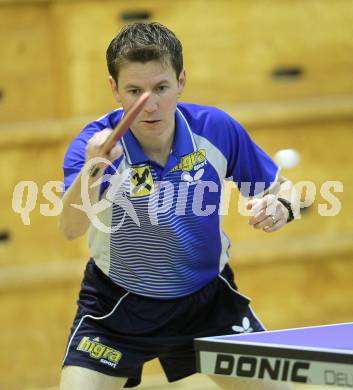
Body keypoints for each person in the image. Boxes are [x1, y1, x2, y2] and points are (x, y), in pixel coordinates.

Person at [59, 22, 297, 390]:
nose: (150, 105)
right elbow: (70, 229)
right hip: (119, 306)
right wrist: (93, 171)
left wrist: (282, 205)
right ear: (114, 89)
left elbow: (286, 189)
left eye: (161, 88)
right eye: (134, 91)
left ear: (181, 81)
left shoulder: (215, 129)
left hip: (208, 304)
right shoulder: (95, 146)